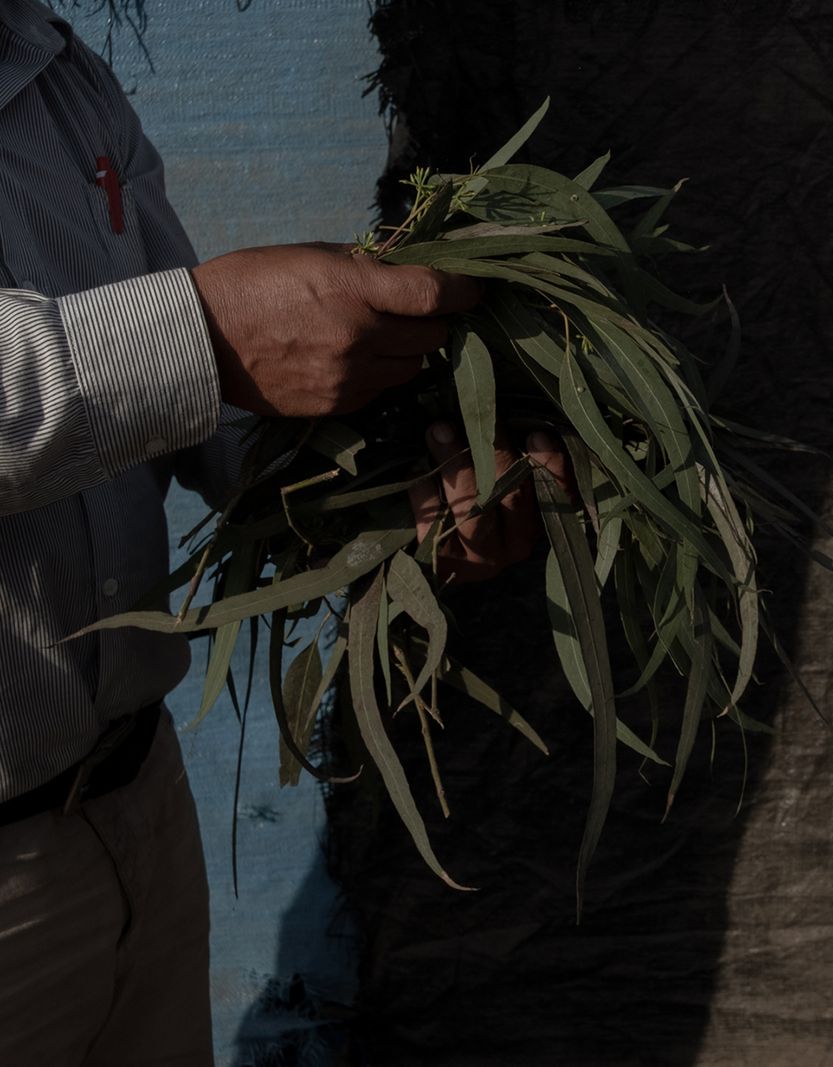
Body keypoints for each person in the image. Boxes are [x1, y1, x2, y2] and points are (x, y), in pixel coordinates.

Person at [0, 4, 559, 1063]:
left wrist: (393, 502)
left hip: (129, 810)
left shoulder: (52, 67)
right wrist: (203, 334)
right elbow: (181, 350)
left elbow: (193, 410)